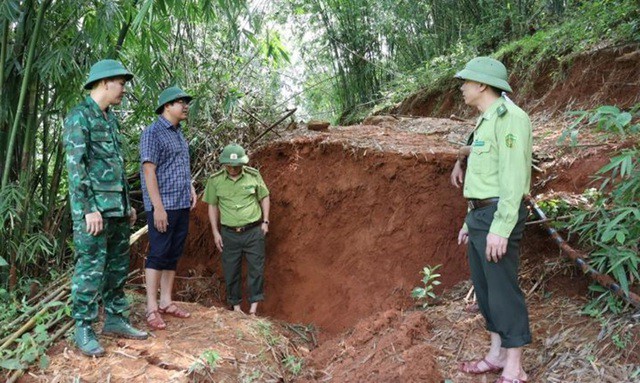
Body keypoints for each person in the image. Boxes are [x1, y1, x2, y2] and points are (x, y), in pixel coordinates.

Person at [451, 57, 532, 383]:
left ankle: (516, 367)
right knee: (485, 291)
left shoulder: (510, 118)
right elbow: (483, 176)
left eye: (466, 81)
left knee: (502, 290)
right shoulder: (484, 122)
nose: (462, 87)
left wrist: (501, 226)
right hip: (481, 214)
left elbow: (513, 179)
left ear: (482, 84)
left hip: (500, 214)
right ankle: (497, 354)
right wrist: (471, 222)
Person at [64, 59, 148, 357]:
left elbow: (114, 165)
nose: (124, 89)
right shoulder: (79, 117)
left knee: (116, 268)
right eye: (121, 83)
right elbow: (77, 167)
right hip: (94, 213)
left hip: (116, 210)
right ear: (104, 82)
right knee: (89, 269)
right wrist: (88, 209)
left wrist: (126, 205)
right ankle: (84, 327)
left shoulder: (111, 119)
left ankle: (115, 318)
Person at [140, 86, 197, 330]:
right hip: (163, 204)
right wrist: (158, 208)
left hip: (181, 202)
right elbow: (149, 171)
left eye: (185, 102)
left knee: (173, 253)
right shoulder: (153, 133)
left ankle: (166, 301)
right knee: (158, 254)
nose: (185, 105)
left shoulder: (178, 133)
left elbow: (178, 166)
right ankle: (151, 307)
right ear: (166, 106)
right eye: (179, 102)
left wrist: (191, 187)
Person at [203, 144, 270, 315]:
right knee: (231, 270)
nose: (233, 169)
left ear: (242, 163)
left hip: (254, 231)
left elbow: (264, 196)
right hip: (229, 234)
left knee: (256, 269)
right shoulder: (215, 180)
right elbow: (212, 206)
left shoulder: (253, 176)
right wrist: (215, 232)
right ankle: (236, 308)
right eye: (229, 165)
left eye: (236, 166)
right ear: (224, 164)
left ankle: (254, 309)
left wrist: (265, 221)